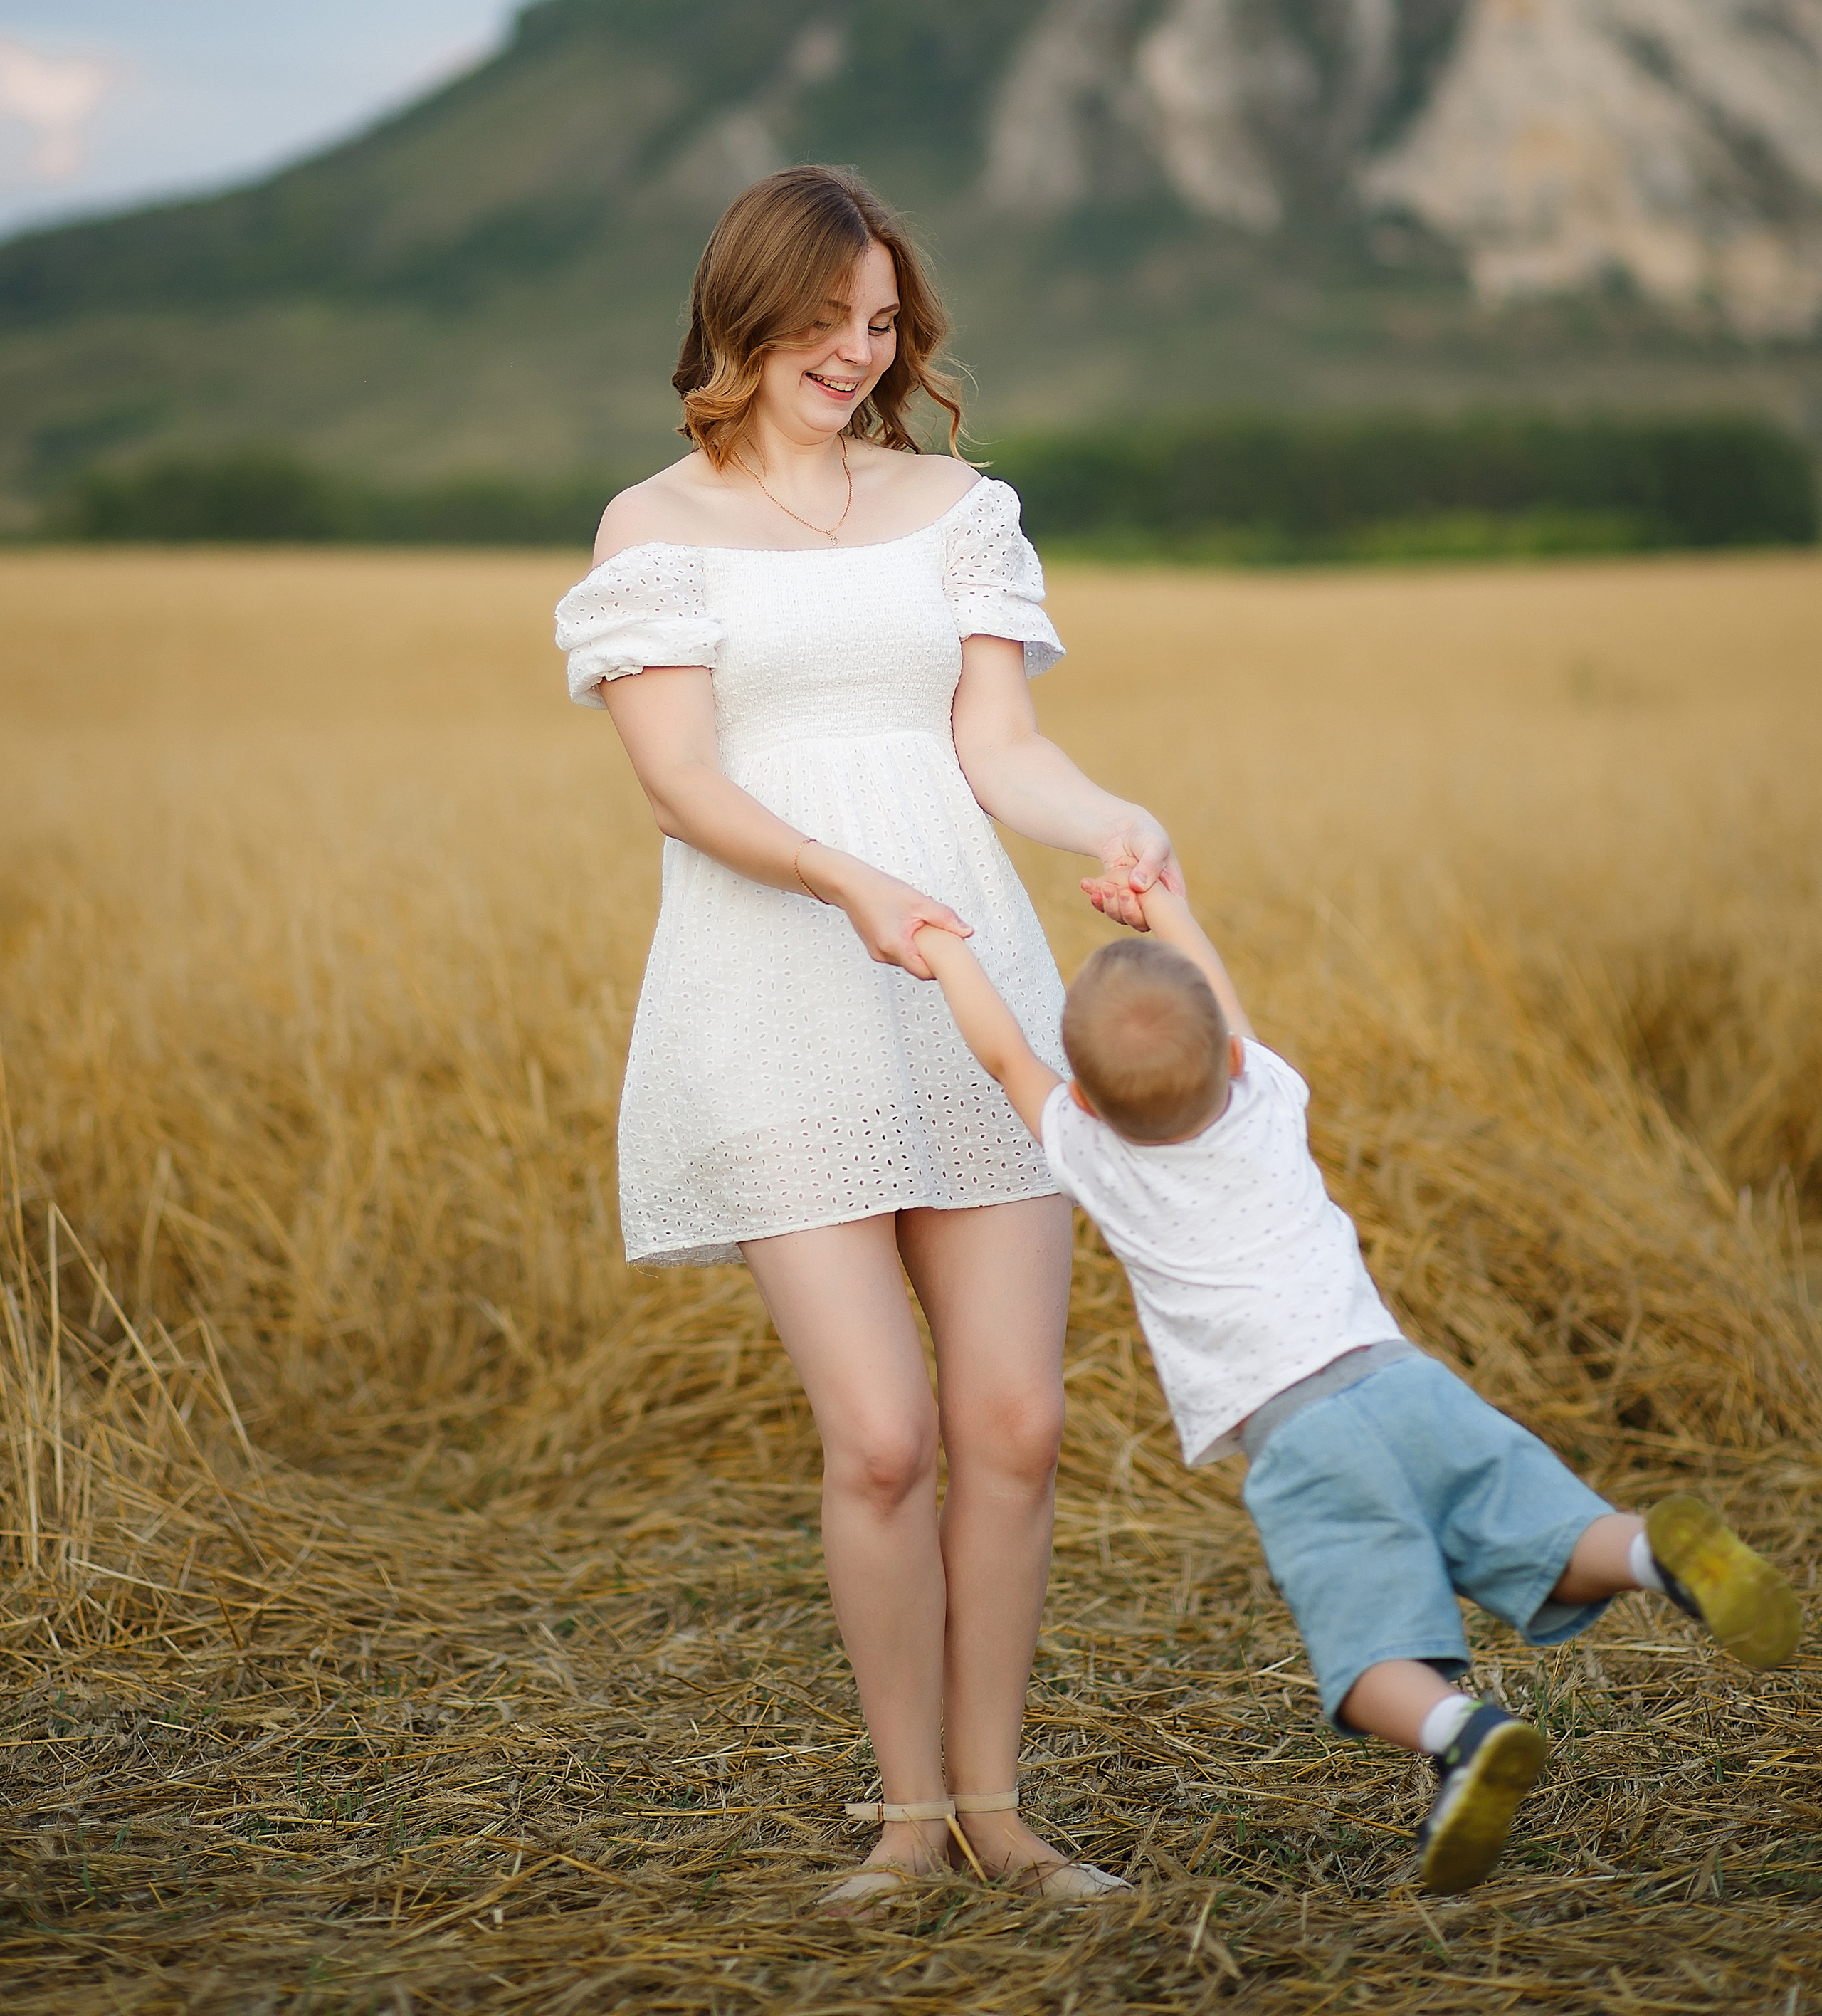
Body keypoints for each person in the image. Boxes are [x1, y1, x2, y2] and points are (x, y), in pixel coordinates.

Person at [554, 166, 1178, 1911]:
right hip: (775, 991)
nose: (856, 351)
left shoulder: (956, 504)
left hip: (970, 978)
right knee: (884, 1437)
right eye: (823, 321)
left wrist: (1109, 817)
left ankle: (997, 1809)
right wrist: (845, 881)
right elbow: (682, 785)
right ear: (743, 324)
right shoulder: (651, 527)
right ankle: (905, 1823)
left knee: (1013, 1423)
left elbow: (999, 750)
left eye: (883, 322)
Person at [910, 883, 1801, 1897]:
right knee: (1544, 1536)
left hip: (1305, 1438)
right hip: (1409, 1384)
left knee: (1370, 1649)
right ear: (1235, 1061)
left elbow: (1003, 1058)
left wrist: (944, 949)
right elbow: (1223, 1005)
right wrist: (1164, 905)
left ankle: (1465, 1734)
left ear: (1086, 1098)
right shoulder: (1265, 1099)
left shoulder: (1096, 1155)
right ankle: (1655, 1552)